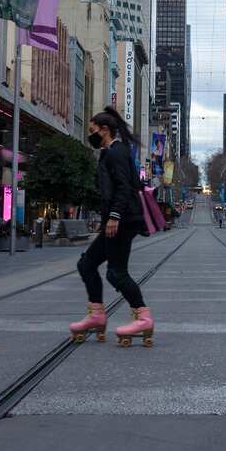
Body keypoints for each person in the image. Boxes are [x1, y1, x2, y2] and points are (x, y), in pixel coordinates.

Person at [68, 107, 154, 348]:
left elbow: (125, 187)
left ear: (104, 130)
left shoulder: (117, 153)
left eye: (93, 131)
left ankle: (143, 317)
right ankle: (96, 315)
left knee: (116, 272)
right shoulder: (111, 152)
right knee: (86, 264)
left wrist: (114, 217)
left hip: (123, 221)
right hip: (116, 219)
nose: (91, 135)